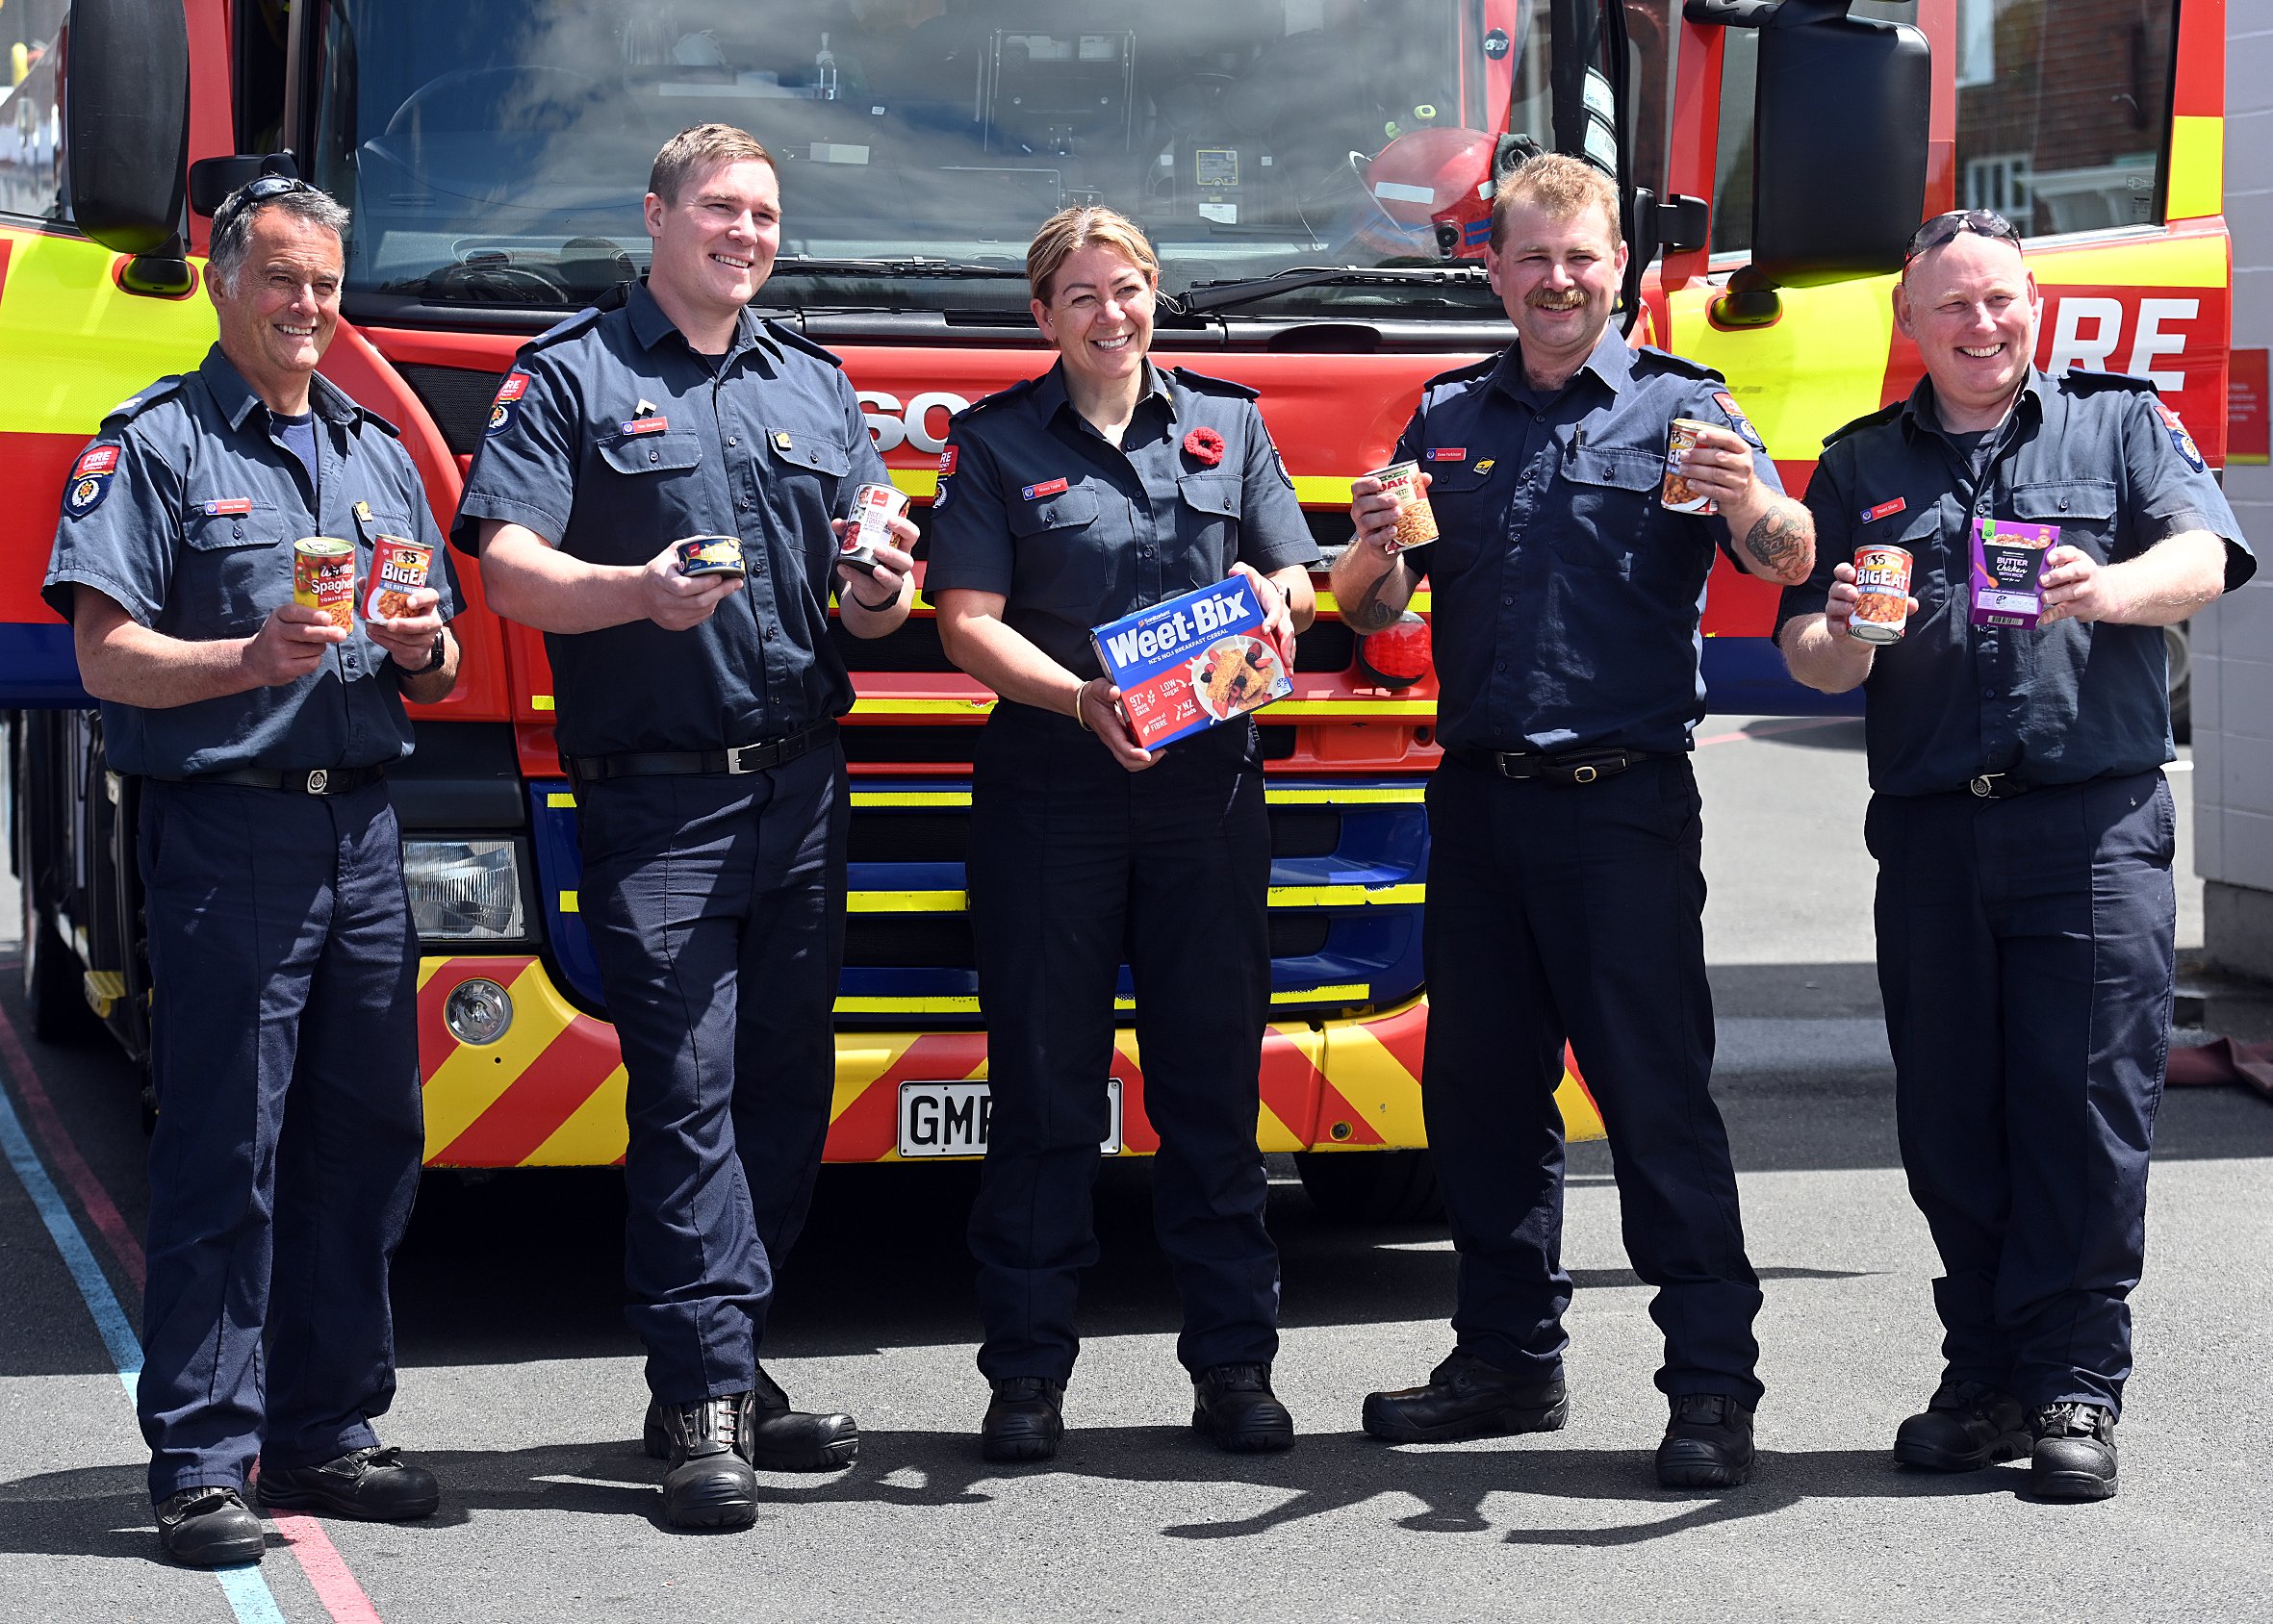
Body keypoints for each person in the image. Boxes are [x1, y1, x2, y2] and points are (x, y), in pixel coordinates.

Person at [450, 124, 918, 1530]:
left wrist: (883, 577)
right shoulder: (571, 376)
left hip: (805, 784)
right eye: (717, 208)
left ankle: (725, 1365)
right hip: (657, 796)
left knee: (783, 1091)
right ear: (653, 219)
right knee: (690, 1094)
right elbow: (512, 570)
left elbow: (866, 602)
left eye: (763, 213)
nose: (745, 232)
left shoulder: (818, 384)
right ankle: (705, 1400)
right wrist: (634, 590)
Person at [1332, 153, 1816, 1488]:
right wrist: (1372, 552)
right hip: (1479, 806)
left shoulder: (1686, 410)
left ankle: (1711, 1388)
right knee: (1481, 1105)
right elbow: (1373, 616)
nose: (1556, 281)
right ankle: (1504, 1361)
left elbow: (1786, 560)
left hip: (1623, 811)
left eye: (1580, 258)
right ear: (1493, 271)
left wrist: (1751, 502)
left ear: (1621, 270)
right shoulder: (1441, 417)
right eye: (1530, 258)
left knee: (1655, 1106)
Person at [1776, 210, 2253, 1501]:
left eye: (1998, 300)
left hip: (2087, 827)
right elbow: (1803, 655)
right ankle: (1980, 1373)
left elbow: (2206, 556)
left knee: (2083, 1115)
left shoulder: (2118, 422)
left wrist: (2107, 589)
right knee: (1949, 1119)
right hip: (1932, 834)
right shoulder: (1859, 463)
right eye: (1951, 307)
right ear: (1909, 326)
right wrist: (1843, 639)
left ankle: (2073, 1386)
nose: (1979, 324)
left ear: (2029, 304)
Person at [41, 175, 460, 1566]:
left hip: (362, 831)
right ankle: (203, 1461)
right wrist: (248, 660)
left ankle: (330, 1429)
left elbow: (442, 652)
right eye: (283, 280)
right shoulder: (152, 447)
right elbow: (104, 658)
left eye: (328, 286)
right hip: (231, 836)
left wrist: (420, 650)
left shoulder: (376, 446)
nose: (309, 309)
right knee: (230, 1149)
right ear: (225, 284)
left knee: (369, 1146)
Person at [927, 206, 1319, 1461]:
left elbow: (1294, 576)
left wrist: (1282, 596)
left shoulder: (1229, 423)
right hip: (1052, 798)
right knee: (1044, 1096)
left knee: (1209, 1090)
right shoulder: (993, 445)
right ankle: (1028, 1377)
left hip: (1204, 802)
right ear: (1043, 315)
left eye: (1133, 288)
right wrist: (1076, 698)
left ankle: (1234, 1369)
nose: (1113, 314)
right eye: (1085, 295)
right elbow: (964, 621)